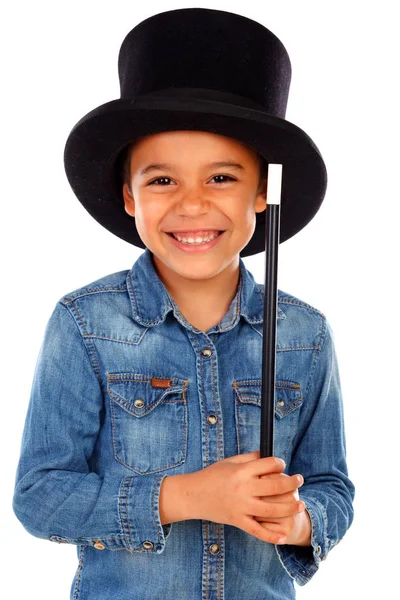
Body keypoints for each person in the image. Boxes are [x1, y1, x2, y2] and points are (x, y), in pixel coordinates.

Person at [12, 7, 355, 599]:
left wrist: (300, 521)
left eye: (221, 178)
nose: (192, 205)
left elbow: (331, 486)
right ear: (128, 196)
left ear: (263, 193)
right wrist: (188, 496)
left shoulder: (304, 333)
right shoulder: (85, 324)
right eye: (163, 180)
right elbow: (41, 496)